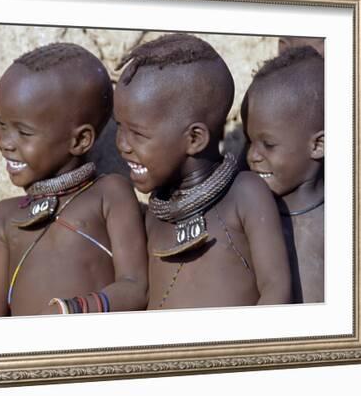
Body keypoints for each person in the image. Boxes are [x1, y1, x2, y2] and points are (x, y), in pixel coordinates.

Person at [113, 33, 291, 309]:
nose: (122, 144)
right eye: (118, 127)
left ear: (194, 139)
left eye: (137, 133)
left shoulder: (245, 194)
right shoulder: (157, 213)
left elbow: (276, 289)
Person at [0, 43, 148, 317]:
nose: (4, 142)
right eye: (2, 124)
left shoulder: (108, 194)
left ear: (80, 140)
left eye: (23, 132)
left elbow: (136, 287)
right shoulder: (3, 216)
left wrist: (75, 311)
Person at [242, 46, 324, 303]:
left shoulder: (349, 222)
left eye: (268, 145)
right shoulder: (246, 212)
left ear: (318, 145)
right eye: (249, 142)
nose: (253, 156)